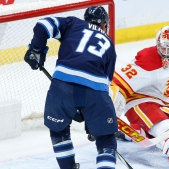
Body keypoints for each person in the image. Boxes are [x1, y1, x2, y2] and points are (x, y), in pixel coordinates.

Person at [24, 6, 118, 169]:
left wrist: (36, 49)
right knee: (106, 137)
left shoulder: (73, 24)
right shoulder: (110, 45)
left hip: (62, 86)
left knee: (59, 130)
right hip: (95, 91)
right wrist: (92, 121)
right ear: (104, 25)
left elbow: (43, 25)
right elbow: (104, 87)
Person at [111, 25, 169, 166]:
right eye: (162, 48)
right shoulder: (147, 59)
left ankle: (138, 130)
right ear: (157, 43)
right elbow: (117, 84)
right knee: (165, 129)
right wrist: (108, 113)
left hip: (162, 101)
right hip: (138, 100)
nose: (165, 53)